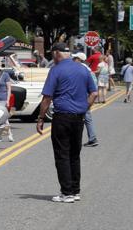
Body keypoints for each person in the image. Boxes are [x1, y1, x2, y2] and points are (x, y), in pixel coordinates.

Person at [36, 43, 97, 203]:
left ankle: (66, 192)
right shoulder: (83, 69)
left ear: (57, 53)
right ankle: (75, 190)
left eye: (52, 54)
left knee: (62, 154)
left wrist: (41, 118)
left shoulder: (56, 70)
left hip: (62, 116)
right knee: (74, 155)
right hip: (79, 116)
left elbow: (47, 98)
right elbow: (94, 93)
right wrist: (84, 108)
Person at [71, 53, 99, 147]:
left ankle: (92, 138)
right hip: (87, 94)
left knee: (85, 116)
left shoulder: (81, 68)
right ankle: (92, 138)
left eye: (75, 58)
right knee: (86, 117)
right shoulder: (87, 68)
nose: (73, 59)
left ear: (79, 59)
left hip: (84, 95)